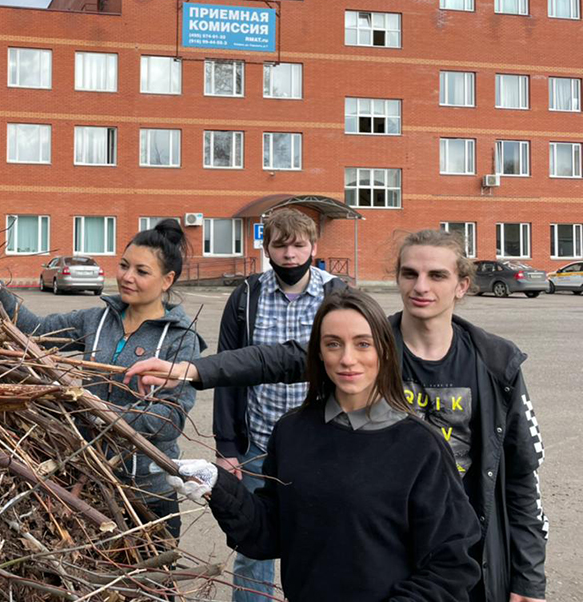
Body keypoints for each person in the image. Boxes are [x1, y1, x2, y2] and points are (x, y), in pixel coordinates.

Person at [126, 229, 547, 602]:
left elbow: (520, 476)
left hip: (461, 550)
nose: (421, 286)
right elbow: (275, 359)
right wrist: (191, 370)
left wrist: (528, 576)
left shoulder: (494, 364)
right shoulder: (353, 351)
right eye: (410, 273)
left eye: (437, 275)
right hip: (368, 540)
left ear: (462, 284)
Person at [168, 288, 481, 602]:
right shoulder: (292, 431)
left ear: (385, 350)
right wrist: (219, 486)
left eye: (363, 344)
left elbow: (450, 565)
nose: (347, 359)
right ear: (318, 352)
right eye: (333, 344)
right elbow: (268, 534)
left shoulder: (421, 447)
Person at [0, 219, 204, 538]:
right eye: (124, 266)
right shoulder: (97, 320)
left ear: (167, 280)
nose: (127, 277)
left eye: (142, 272)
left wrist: (104, 414)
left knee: (154, 566)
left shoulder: (181, 339)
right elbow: (36, 331)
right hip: (90, 485)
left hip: (148, 492)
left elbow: (171, 419)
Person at [212, 208, 345, 602]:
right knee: (254, 548)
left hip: (323, 442)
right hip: (258, 444)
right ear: (266, 248)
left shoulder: (337, 295)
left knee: (326, 541)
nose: (290, 255)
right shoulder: (246, 297)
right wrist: (226, 446)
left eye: (299, 246)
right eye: (280, 246)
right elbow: (227, 370)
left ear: (314, 248)